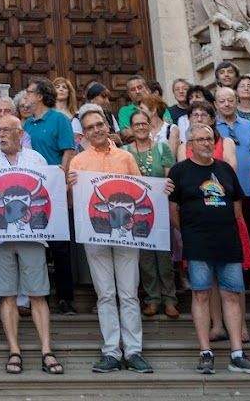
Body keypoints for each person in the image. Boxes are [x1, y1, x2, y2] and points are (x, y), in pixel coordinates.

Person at [169, 123, 250, 376]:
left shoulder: (225, 170)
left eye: (209, 139)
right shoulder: (179, 172)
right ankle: (205, 352)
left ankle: (237, 354)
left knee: (232, 294)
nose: (206, 143)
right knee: (200, 294)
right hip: (197, 243)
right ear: (190, 144)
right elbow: (173, 212)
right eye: (200, 139)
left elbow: (236, 207)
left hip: (227, 242)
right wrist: (190, 233)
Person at [68, 108, 151, 373]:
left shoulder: (126, 157)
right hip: (97, 234)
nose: (96, 130)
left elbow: (142, 193)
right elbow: (74, 203)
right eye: (90, 127)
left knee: (128, 293)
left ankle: (134, 351)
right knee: (105, 294)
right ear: (84, 133)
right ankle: (112, 352)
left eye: (99, 124)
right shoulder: (78, 162)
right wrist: (69, 187)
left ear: (107, 125)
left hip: (126, 234)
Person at [0, 114, 55, 375]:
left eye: (6, 130)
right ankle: (15, 350)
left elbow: (47, 194)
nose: (0, 135)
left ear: (20, 134)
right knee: (6, 295)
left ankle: (46, 350)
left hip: (33, 236)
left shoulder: (37, 159)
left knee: (37, 294)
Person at [16, 78, 77, 316]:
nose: (26, 97)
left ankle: (65, 297)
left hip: (53, 189)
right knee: (34, 245)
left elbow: (68, 150)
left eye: (29, 92)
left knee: (60, 245)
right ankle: (37, 295)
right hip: (30, 191)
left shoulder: (59, 119)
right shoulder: (27, 124)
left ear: (40, 96)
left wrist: (60, 179)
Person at [213, 86, 250, 291]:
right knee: (232, 234)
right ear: (216, 105)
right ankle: (237, 275)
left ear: (236, 101)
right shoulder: (212, 131)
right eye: (222, 101)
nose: (227, 104)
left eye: (230, 100)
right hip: (223, 193)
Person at [128, 109, 178, 320]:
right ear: (131, 128)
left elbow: (170, 178)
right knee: (145, 257)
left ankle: (170, 299)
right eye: (136, 124)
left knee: (164, 255)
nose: (140, 127)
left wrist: (166, 187)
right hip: (136, 212)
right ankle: (152, 299)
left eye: (144, 123)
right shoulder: (125, 151)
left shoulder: (162, 148)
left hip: (160, 209)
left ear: (150, 125)